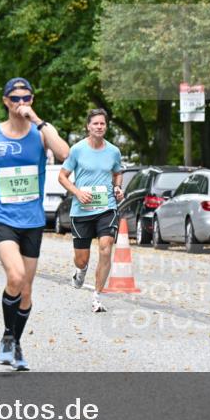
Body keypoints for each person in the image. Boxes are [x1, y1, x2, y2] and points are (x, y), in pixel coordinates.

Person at [0, 77, 70, 371]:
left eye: (26, 98)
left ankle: (15, 341)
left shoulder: (40, 134)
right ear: (5, 101)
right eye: (15, 99)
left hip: (33, 219)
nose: (21, 103)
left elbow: (64, 154)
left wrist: (37, 120)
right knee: (15, 276)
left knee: (26, 290)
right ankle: (8, 337)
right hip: (2, 216)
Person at [58, 109, 124, 313]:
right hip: (82, 210)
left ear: (106, 126)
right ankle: (80, 271)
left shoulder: (113, 151)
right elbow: (62, 176)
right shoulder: (77, 150)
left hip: (106, 207)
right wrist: (77, 192)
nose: (99, 127)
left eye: (102, 124)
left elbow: (118, 172)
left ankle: (97, 295)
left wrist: (117, 187)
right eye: (95, 123)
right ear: (88, 126)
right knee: (82, 258)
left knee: (106, 247)